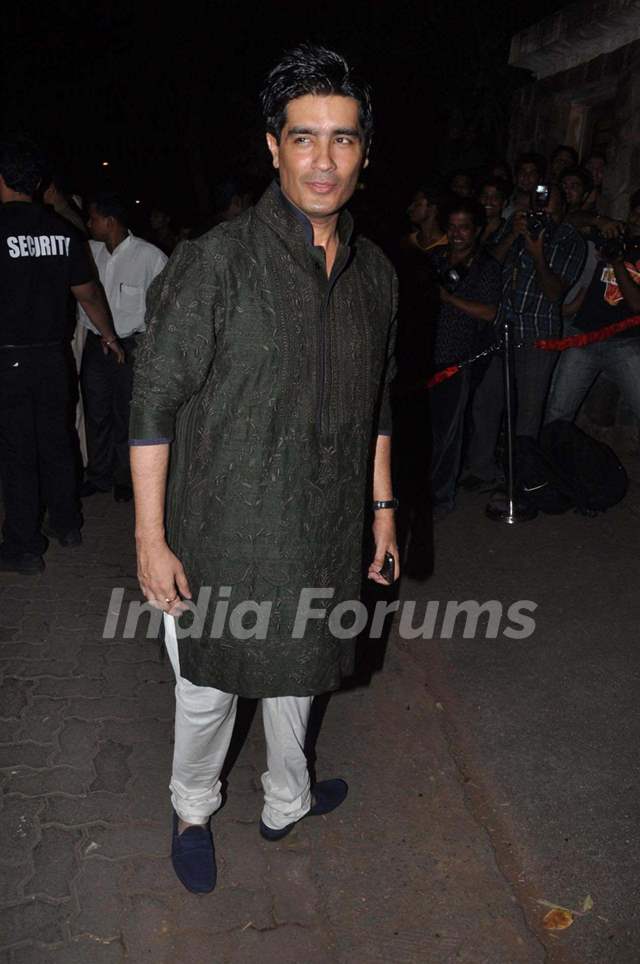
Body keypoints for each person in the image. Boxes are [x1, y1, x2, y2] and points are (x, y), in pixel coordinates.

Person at [128, 44, 399, 895]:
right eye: (305, 138)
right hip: (225, 533)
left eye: (343, 139)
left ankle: (288, 797)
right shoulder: (215, 263)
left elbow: (380, 398)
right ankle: (192, 808)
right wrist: (150, 538)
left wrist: (383, 510)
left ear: (364, 151)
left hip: (322, 529)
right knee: (209, 690)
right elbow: (152, 408)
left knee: (303, 676)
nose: (325, 160)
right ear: (273, 147)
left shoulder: (377, 274)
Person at [0, 136, 121, 574]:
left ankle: (24, 546)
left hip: (9, 359)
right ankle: (67, 524)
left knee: (17, 451)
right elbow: (88, 293)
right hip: (55, 358)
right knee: (57, 441)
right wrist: (109, 336)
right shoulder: (63, 232)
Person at [474, 186, 586, 474]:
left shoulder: (570, 240)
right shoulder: (517, 227)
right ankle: (482, 468)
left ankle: (522, 477)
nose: (543, 214)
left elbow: (554, 293)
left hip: (537, 334)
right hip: (500, 328)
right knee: (487, 402)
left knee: (528, 411)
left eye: (551, 208)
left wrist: (537, 252)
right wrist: (514, 234)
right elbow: (487, 269)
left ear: (563, 211)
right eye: (540, 206)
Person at [79, 192, 167, 502]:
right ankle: (99, 474)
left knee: (125, 414)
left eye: (93, 218)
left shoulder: (150, 257)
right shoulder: (89, 252)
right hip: (95, 345)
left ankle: (125, 478)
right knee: (96, 412)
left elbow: (166, 307)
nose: (89, 224)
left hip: (131, 346)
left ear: (110, 221)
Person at [428, 198, 501, 517]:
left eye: (464, 227)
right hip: (423, 355)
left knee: (448, 434)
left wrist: (449, 299)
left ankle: (440, 500)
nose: (457, 233)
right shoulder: (433, 258)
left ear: (477, 231)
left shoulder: (486, 267)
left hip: (459, 358)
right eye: (452, 226)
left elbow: (490, 313)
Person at [545, 190, 640, 425]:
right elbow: (567, 222)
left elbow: (637, 304)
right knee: (557, 414)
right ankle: (548, 458)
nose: (638, 221)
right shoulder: (614, 233)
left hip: (625, 344)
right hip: (584, 337)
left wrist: (617, 264)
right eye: (636, 214)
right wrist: (600, 221)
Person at [503, 152, 546, 219]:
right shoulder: (503, 205)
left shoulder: (544, 208)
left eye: (532, 173)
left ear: (540, 179)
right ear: (515, 177)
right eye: (522, 172)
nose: (526, 177)